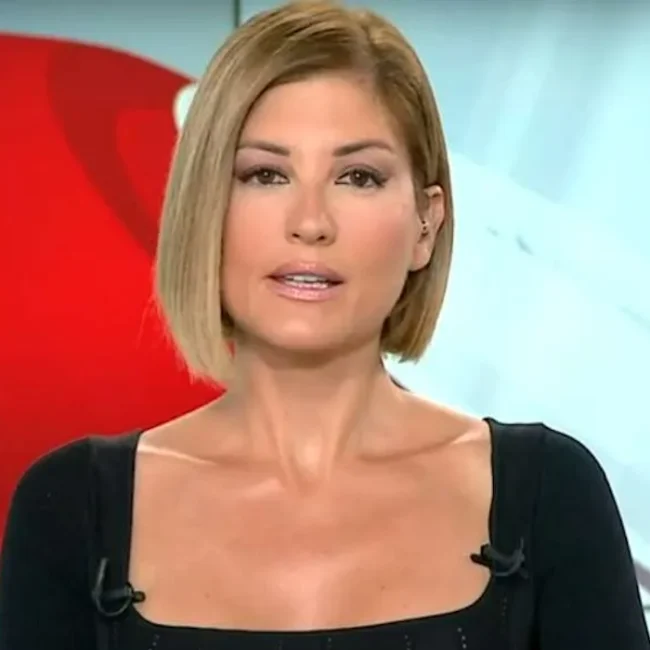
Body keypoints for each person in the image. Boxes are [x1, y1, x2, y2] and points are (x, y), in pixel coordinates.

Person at [1, 1, 649, 648]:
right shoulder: (71, 513)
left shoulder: (550, 499)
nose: (310, 222)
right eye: (265, 174)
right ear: (203, 208)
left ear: (425, 225)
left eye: (358, 177)